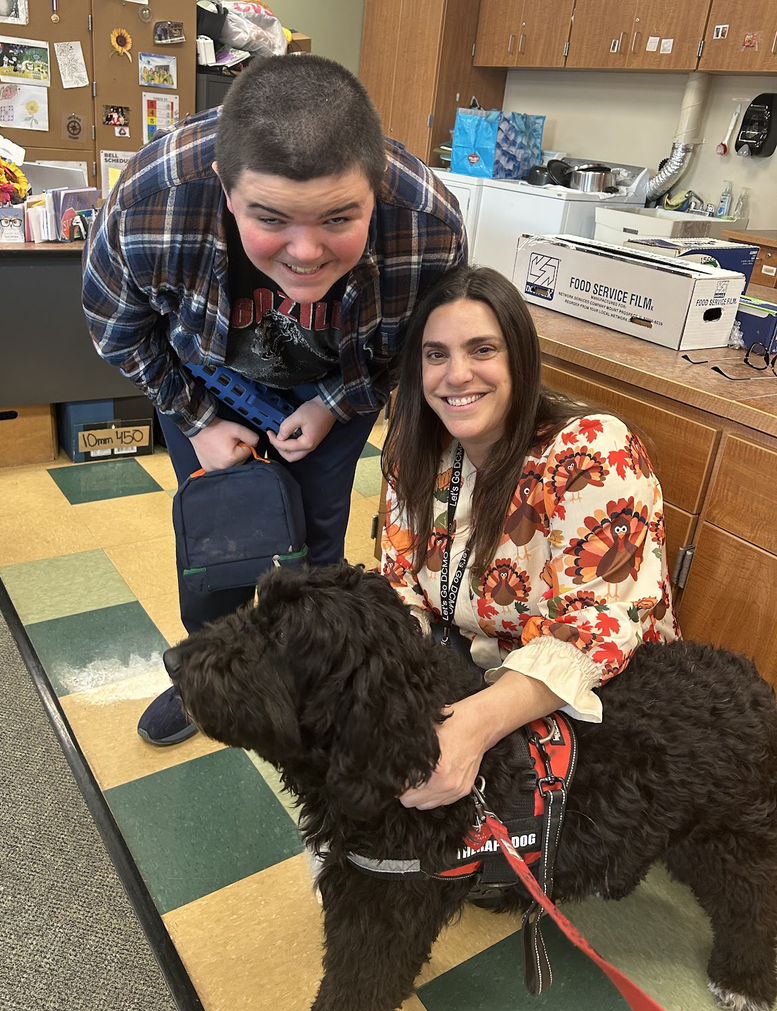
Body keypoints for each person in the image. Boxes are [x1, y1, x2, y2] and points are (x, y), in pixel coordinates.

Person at [82, 55, 466, 746]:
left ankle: (308, 683)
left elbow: (411, 347)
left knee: (316, 542)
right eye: (271, 219)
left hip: (335, 380)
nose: (306, 252)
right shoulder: (150, 200)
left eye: (338, 218)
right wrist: (198, 422)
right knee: (221, 535)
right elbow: (118, 330)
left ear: (375, 190)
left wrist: (332, 403)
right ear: (224, 189)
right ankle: (211, 682)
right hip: (203, 379)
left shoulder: (428, 223)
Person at [380, 265, 680, 811]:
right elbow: (398, 583)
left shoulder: (590, 451)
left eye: (482, 350)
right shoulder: (416, 449)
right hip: (468, 660)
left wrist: (471, 725)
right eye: (436, 354)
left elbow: (600, 625)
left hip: (596, 690)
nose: (456, 375)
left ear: (520, 357)